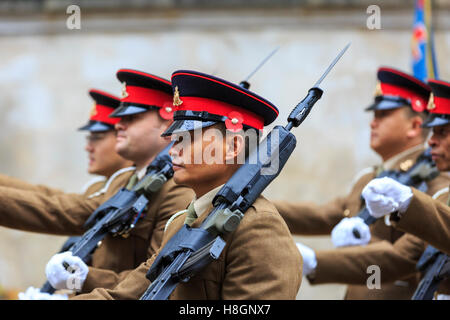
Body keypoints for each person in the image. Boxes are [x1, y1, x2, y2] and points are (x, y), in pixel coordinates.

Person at [71, 69, 302, 300]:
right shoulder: (183, 222)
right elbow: (124, 295)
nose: (172, 150)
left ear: (233, 147)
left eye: (186, 138)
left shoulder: (258, 228)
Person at [0, 69, 194, 298]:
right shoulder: (126, 180)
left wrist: (78, 282)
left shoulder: (178, 190)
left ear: (168, 122)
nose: (119, 125)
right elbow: (61, 207)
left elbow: (154, 279)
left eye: (131, 118)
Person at [274, 67, 450, 299]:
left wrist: (315, 261)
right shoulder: (371, 178)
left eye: (382, 116)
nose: (372, 124)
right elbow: (324, 215)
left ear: (415, 126)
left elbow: (401, 258)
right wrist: (255, 204)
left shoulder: (434, 184)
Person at [362, 78, 450, 256]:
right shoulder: (444, 195)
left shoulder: (436, 185)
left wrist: (408, 202)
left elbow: (401, 259)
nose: (431, 141)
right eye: (433, 132)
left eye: (442, 132)